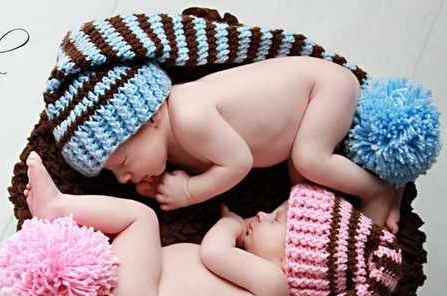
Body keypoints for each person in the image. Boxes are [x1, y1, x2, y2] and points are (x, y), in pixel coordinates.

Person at [55, 56, 402, 232]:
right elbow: (210, 163)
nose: (122, 179)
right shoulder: (172, 143)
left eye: (123, 162)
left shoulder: (189, 115)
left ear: (152, 118)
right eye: (114, 173)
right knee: (304, 187)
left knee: (310, 160)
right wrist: (158, 182)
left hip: (323, 88)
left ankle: (377, 191)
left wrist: (189, 191)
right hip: (303, 117)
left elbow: (238, 162)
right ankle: (383, 191)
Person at [24, 151, 291, 296]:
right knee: (129, 233)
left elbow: (214, 252)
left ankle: (58, 206)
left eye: (276, 219)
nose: (262, 214)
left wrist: (231, 223)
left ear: (291, 259)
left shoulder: (275, 284)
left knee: (142, 218)